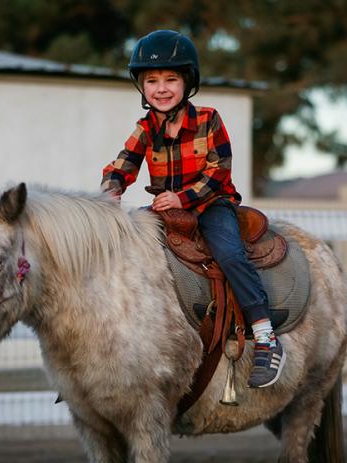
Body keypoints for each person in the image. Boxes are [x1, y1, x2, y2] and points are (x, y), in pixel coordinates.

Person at [101, 30, 286, 389]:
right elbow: (123, 165)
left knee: (230, 254)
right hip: (165, 208)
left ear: (188, 82)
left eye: (171, 79)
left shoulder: (208, 119)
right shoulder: (145, 128)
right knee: (126, 248)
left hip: (210, 204)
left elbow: (220, 171)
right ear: (142, 87)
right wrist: (110, 192)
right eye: (151, 80)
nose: (162, 88)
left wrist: (183, 198)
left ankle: (265, 334)